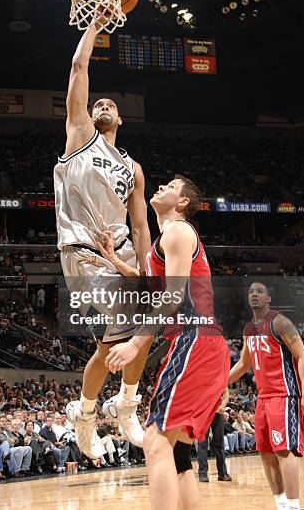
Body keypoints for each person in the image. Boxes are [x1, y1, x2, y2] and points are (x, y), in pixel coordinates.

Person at [102, 175, 230, 510]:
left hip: (194, 341)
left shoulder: (178, 230)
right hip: (205, 345)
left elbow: (172, 295)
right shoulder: (168, 239)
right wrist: (116, 261)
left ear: (183, 202)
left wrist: (134, 344)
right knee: (178, 455)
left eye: (170, 188)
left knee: (155, 441)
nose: (160, 189)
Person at [53, 25, 151, 458]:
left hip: (126, 254)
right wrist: (94, 22)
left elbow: (142, 222)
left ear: (121, 119)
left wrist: (147, 266)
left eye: (111, 104)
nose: (104, 105)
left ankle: (97, 410)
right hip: (85, 253)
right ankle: (118, 405)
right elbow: (77, 66)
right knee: (133, 330)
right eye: (99, 104)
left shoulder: (134, 167)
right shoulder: (79, 136)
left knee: (126, 338)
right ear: (90, 116)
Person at [229, 281, 304, 510]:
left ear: (268, 299)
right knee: (265, 452)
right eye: (251, 291)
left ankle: (294, 506)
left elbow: (303, 358)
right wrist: (218, 383)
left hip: (284, 395)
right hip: (263, 399)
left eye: (260, 291)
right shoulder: (248, 329)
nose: (254, 294)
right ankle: (281, 504)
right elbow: (244, 364)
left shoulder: (280, 322)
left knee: (283, 450)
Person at [197, 389, 232, 483]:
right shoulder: (198, 375)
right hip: (202, 412)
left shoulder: (218, 374)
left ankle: (223, 473)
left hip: (217, 411)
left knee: (219, 443)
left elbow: (225, 390)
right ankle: (202, 473)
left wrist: (223, 404)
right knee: (202, 443)